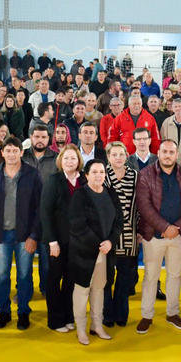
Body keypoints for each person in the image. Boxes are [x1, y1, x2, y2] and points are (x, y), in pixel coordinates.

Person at [0, 137, 42, 331]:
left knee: (24, 276)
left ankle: (23, 312)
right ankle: (4, 312)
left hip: (25, 235)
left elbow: (39, 208)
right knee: (1, 276)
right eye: (8, 150)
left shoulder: (32, 174)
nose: (11, 154)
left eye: (15, 150)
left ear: (21, 152)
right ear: (2, 153)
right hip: (0, 236)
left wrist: (34, 235)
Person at [135, 139, 181, 334]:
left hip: (178, 235)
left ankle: (172, 313)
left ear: (177, 155)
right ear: (158, 153)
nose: (168, 155)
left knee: (175, 276)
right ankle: (147, 315)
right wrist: (164, 227)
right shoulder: (145, 175)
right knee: (151, 277)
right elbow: (144, 207)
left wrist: (176, 227)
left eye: (171, 152)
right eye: (164, 151)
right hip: (153, 236)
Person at [68, 159, 121, 345]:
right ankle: (81, 328)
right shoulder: (80, 196)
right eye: (95, 172)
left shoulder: (111, 193)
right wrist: (100, 244)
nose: (99, 176)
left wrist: (110, 242)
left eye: (102, 172)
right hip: (84, 253)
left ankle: (97, 325)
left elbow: (118, 221)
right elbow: (77, 225)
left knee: (99, 290)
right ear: (86, 175)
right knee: (82, 290)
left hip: (106, 253)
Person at [40, 144, 85, 332]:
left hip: (77, 241)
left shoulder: (84, 180)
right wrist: (52, 241)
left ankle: (68, 317)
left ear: (78, 161)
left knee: (70, 280)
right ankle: (55, 320)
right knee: (54, 279)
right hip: (57, 241)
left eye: (73, 158)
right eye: (66, 158)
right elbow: (45, 211)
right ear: (60, 160)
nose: (69, 162)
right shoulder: (54, 180)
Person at [102, 141, 139, 328]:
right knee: (107, 278)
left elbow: (139, 204)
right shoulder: (102, 175)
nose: (118, 158)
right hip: (107, 236)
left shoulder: (134, 176)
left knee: (125, 278)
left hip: (129, 234)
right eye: (114, 154)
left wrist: (139, 229)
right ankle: (107, 314)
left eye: (121, 154)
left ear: (126, 156)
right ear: (108, 157)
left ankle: (121, 313)